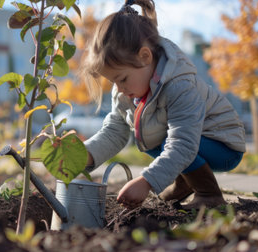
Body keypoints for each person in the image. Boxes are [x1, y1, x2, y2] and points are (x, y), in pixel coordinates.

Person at [81, 0, 246, 210]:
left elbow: (183, 143)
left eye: (121, 79)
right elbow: (115, 131)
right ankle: (184, 183)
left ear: (145, 57)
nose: (118, 88)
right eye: (113, 81)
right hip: (191, 143)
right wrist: (84, 154)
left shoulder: (179, 85)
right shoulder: (127, 91)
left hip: (223, 144)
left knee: (161, 138)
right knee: (149, 134)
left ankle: (209, 194)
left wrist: (146, 182)